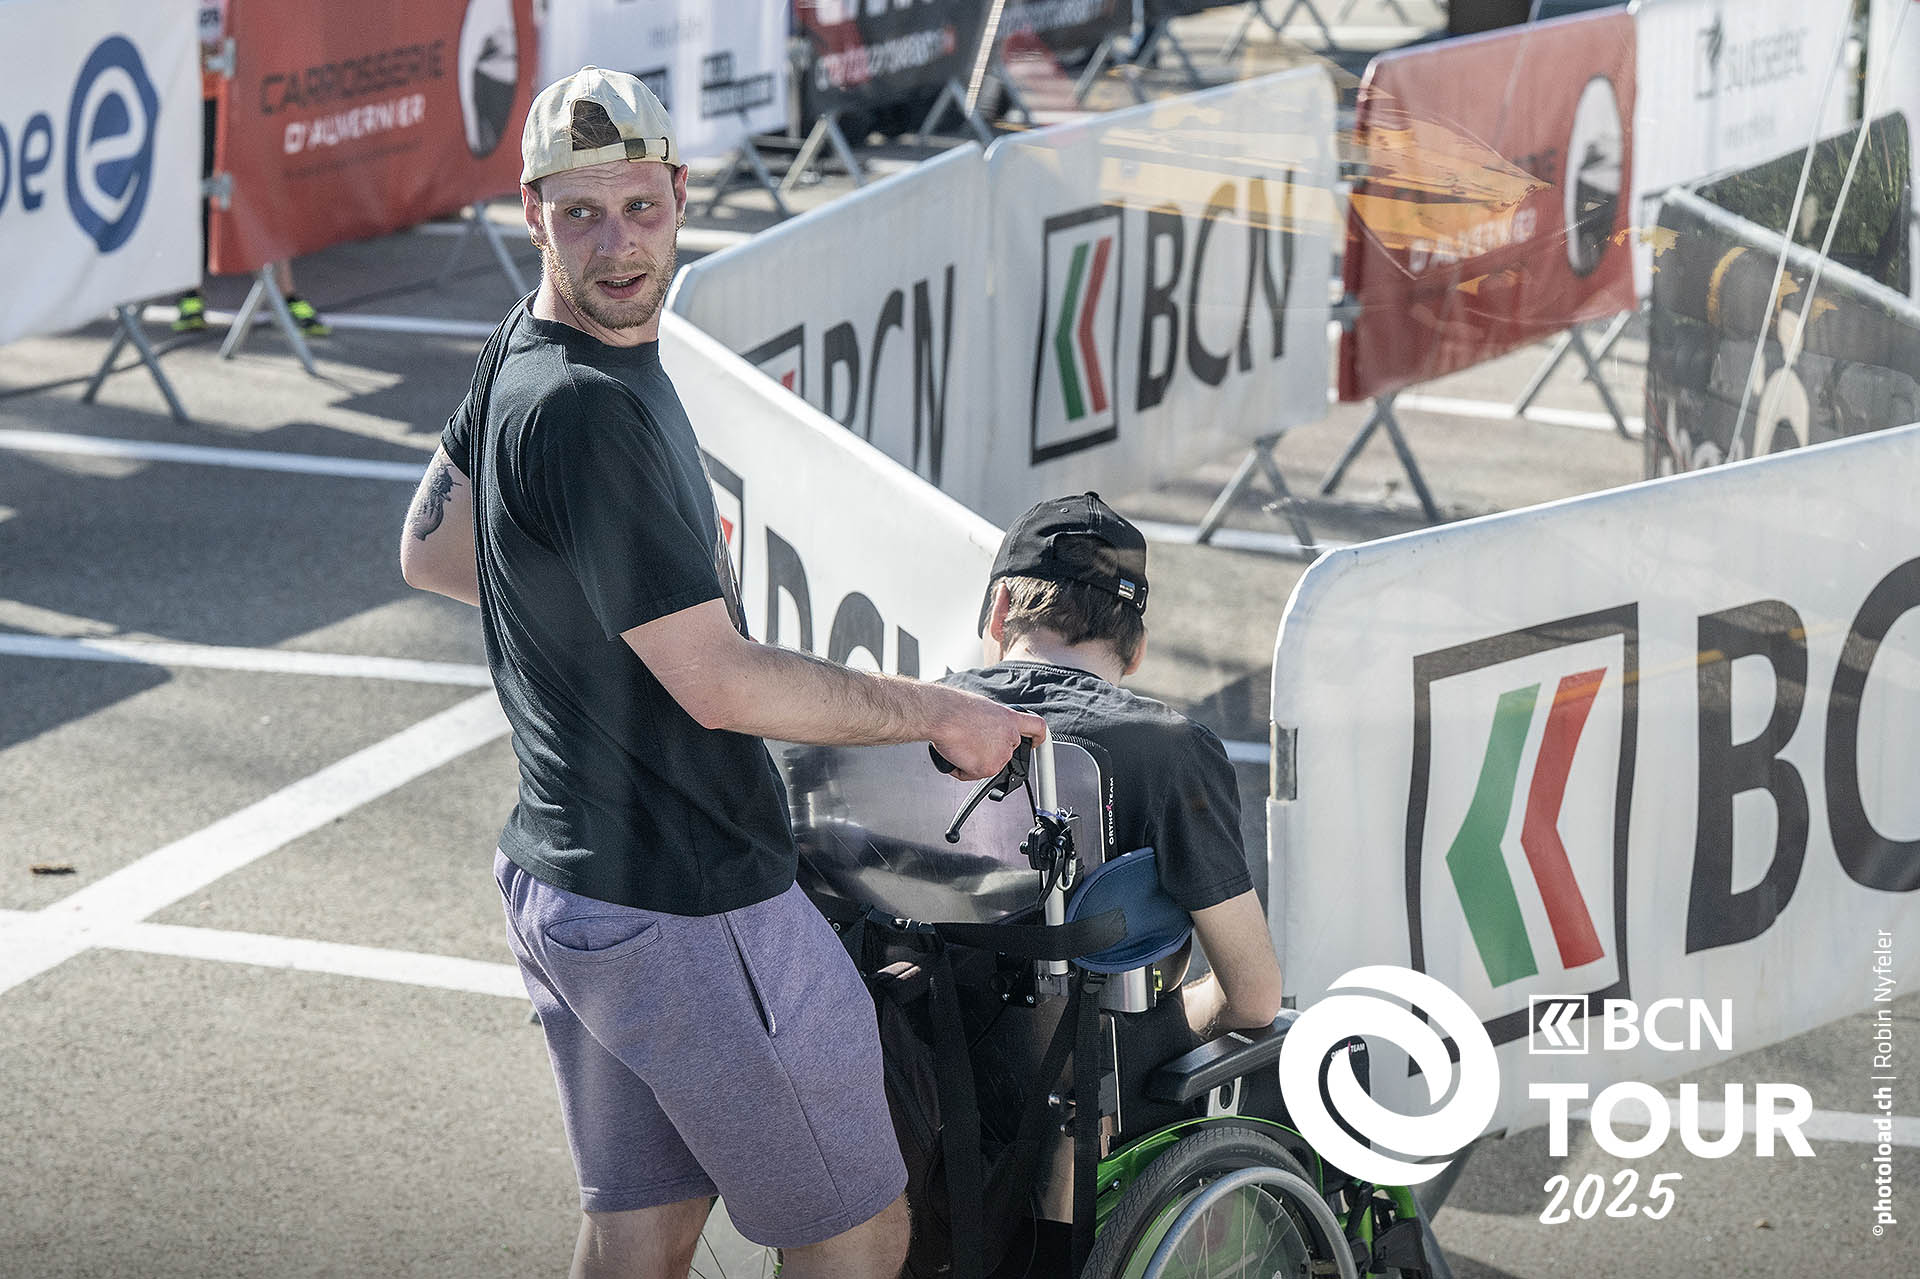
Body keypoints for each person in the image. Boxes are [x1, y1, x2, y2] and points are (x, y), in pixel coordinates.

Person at [397, 67, 1043, 1279]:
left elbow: (431, 548)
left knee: (641, 1236)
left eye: (638, 208)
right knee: (856, 1231)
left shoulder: (519, 349)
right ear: (533, 213)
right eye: (581, 215)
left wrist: (596, 635)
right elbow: (721, 683)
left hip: (570, 891)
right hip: (688, 903)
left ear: (682, 194)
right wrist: (941, 709)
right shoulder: (589, 410)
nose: (617, 245)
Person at [942, 493, 1286, 1043]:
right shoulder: (1176, 753)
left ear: (999, 609)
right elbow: (1252, 998)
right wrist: (1165, 1023)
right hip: (1084, 1080)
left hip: (897, 1065)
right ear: (1138, 649)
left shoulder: (912, 715)